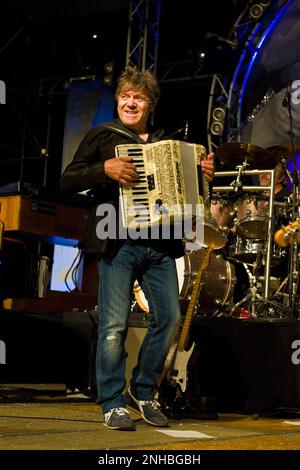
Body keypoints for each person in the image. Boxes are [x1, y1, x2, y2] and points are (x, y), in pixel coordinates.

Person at [60, 65, 215, 431]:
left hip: (160, 243)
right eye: (125, 96)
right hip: (119, 240)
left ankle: (142, 391)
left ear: (150, 104)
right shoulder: (102, 136)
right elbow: (68, 179)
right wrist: (105, 169)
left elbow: (191, 190)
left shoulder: (167, 142)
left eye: (139, 97)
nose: (131, 102)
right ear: (118, 101)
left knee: (170, 319)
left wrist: (201, 172)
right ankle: (112, 402)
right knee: (113, 326)